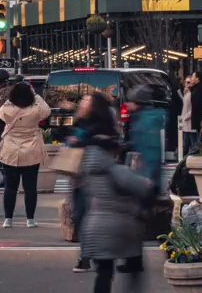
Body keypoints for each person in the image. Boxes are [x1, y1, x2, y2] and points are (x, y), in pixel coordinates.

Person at [81, 117, 156, 293]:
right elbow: (143, 188)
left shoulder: (88, 170)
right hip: (122, 226)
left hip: (94, 226)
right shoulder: (116, 170)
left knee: (104, 273)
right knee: (135, 265)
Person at [67, 92, 118, 273]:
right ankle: (88, 255)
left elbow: (106, 146)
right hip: (78, 176)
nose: (82, 102)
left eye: (87, 100)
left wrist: (80, 142)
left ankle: (90, 256)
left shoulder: (101, 125)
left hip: (94, 178)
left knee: (90, 217)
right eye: (82, 99)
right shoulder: (81, 122)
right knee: (82, 217)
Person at [0, 81, 51, 228]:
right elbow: (47, 110)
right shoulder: (36, 110)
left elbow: (0, 112)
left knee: (10, 186)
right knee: (30, 187)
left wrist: (10, 98)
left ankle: (8, 219)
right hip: (31, 149)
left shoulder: (7, 110)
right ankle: (30, 219)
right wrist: (36, 95)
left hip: (11, 149)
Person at [125, 84, 166, 190]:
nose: (126, 104)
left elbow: (151, 149)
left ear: (137, 102)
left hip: (146, 178)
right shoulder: (139, 118)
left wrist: (149, 176)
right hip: (141, 175)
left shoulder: (146, 120)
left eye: (129, 101)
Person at [179, 75, 197, 156]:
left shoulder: (193, 94)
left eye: (188, 82)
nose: (186, 84)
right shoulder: (187, 93)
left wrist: (185, 117)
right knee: (186, 144)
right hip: (186, 123)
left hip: (190, 123)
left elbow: (194, 108)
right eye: (185, 82)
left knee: (192, 144)